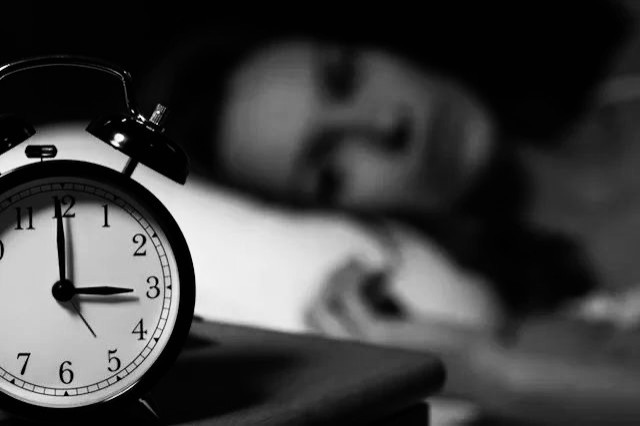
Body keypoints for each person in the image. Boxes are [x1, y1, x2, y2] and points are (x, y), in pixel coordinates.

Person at [141, 3, 640, 422]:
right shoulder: (551, 346)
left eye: (345, 76)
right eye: (328, 168)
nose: (385, 125)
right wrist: (487, 374)